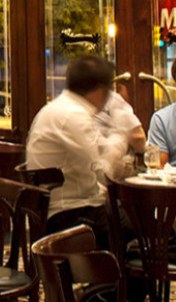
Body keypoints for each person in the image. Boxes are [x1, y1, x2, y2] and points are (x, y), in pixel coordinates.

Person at [26, 55, 126, 247]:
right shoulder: (74, 116)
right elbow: (104, 173)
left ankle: (119, 275)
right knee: (147, 228)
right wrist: (121, 137)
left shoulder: (58, 109)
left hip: (53, 213)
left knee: (134, 222)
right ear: (100, 91)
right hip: (69, 219)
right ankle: (118, 276)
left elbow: (95, 155)